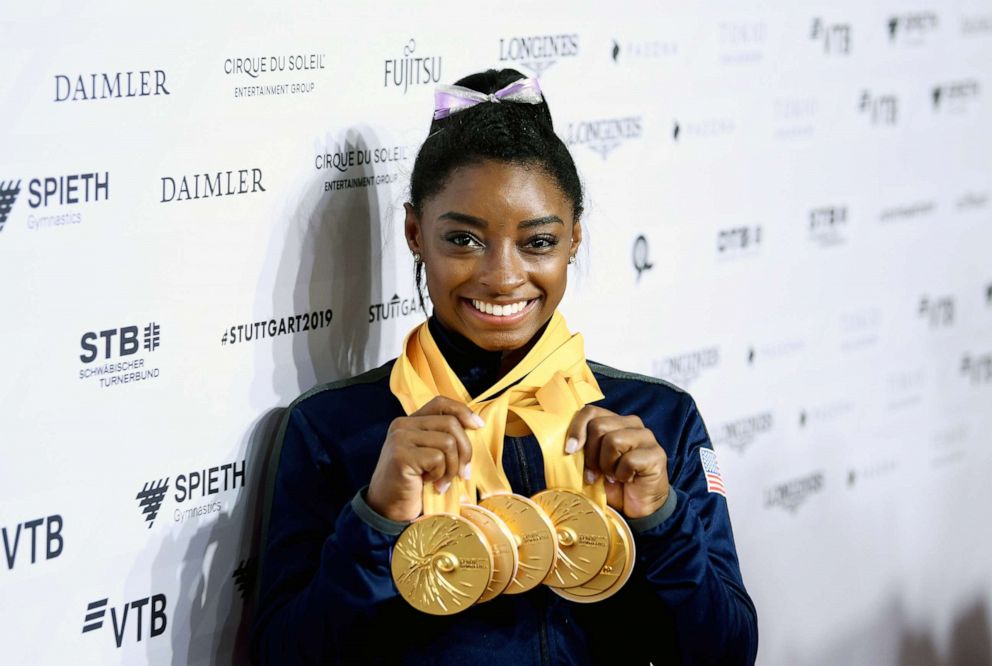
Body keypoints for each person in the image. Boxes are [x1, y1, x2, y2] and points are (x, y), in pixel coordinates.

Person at [252, 69, 758, 665]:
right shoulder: (334, 427)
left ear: (574, 238)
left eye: (537, 242)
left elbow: (727, 653)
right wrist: (377, 518)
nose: (502, 275)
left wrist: (660, 517)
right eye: (464, 240)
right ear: (415, 233)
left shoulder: (656, 419)